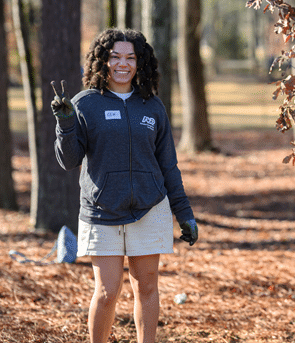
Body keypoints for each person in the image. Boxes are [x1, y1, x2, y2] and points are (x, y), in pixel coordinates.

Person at [51, 28, 199, 343]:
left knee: (146, 288)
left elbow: (168, 164)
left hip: (150, 208)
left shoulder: (152, 106)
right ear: (102, 61)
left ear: (139, 62)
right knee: (107, 291)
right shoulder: (85, 104)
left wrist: (184, 212)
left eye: (130, 57)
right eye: (115, 56)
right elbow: (69, 160)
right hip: (101, 211)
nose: (123, 64)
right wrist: (65, 124)